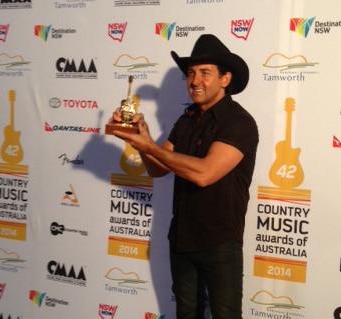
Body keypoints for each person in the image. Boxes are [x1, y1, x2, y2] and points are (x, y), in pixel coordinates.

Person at [111, 34, 259, 319]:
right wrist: (138, 141)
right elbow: (159, 168)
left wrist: (151, 147)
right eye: (191, 73)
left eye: (205, 73)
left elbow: (204, 174)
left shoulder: (239, 122)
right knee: (186, 314)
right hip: (181, 239)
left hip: (219, 242)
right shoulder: (187, 118)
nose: (195, 81)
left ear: (225, 79)